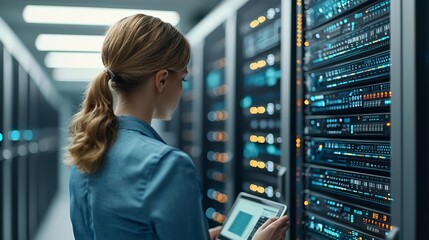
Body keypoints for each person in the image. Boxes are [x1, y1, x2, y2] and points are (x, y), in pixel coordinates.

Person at [66, 13, 290, 240]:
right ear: (161, 79)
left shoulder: (87, 152)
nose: (183, 89)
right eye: (182, 79)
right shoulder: (167, 165)